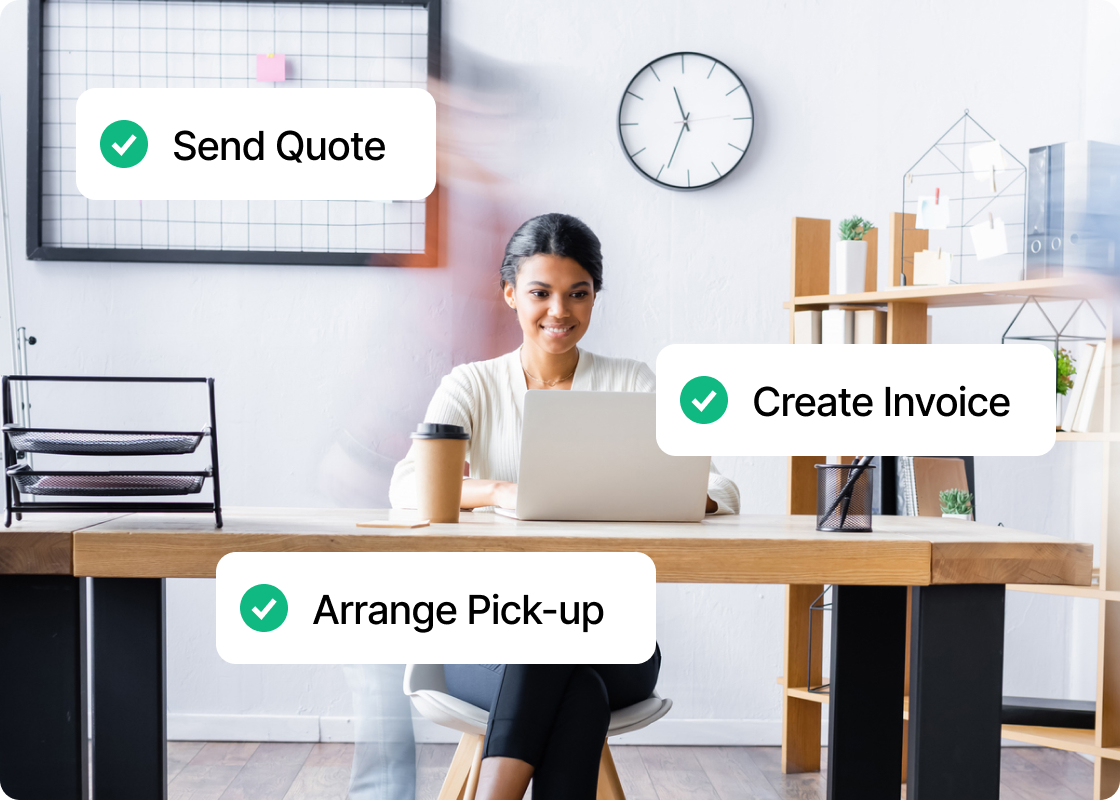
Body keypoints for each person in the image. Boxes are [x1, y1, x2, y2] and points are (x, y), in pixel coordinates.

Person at [389, 213, 740, 800]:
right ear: (509, 295)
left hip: (616, 639)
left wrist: (651, 485)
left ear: (595, 298)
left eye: (578, 294)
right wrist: (501, 491)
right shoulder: (470, 385)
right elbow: (406, 486)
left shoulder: (633, 383)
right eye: (540, 293)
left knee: (556, 631)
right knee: (565, 665)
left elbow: (724, 492)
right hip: (485, 634)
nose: (560, 310)